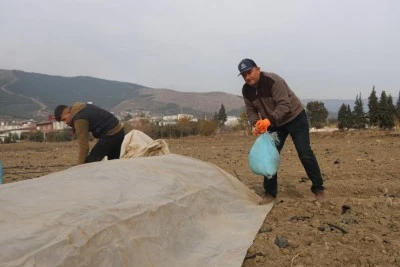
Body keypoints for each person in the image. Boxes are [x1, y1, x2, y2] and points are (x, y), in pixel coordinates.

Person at [238, 58, 325, 204]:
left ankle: (319, 189)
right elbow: (251, 110)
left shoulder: (273, 80)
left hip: (295, 118)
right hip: (273, 124)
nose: (247, 77)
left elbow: (285, 106)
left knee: (304, 153)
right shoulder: (246, 90)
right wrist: (255, 124)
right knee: (268, 156)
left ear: (258, 69)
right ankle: (270, 194)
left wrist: (267, 120)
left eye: (249, 72)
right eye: (243, 75)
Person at [54, 102, 125, 165]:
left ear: (68, 111)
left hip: (111, 133)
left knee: (90, 164)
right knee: (113, 165)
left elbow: (84, 146)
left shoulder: (79, 119)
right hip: (119, 131)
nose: (65, 122)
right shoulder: (82, 107)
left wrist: (79, 167)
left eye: (64, 119)